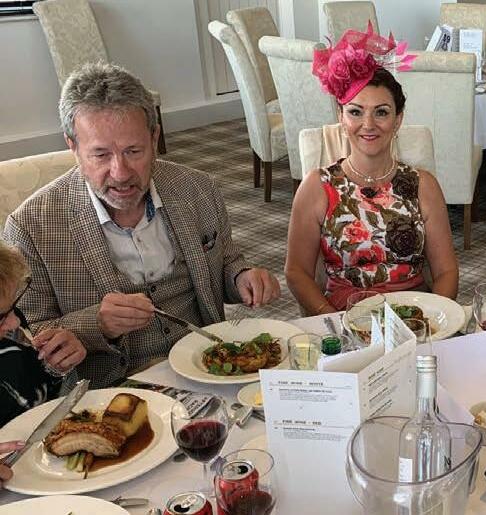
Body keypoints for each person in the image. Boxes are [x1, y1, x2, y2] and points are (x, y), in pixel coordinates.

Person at [3, 63, 280, 388]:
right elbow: (26, 336)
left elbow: (227, 261)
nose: (120, 173)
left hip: (210, 367)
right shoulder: (31, 226)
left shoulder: (198, 189)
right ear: (73, 147)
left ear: (154, 137)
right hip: (112, 390)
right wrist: (95, 325)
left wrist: (241, 276)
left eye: (133, 151)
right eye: (101, 155)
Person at [285, 25, 458, 314]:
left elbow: (446, 272)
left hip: (414, 314)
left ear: (398, 120)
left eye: (381, 112)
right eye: (355, 112)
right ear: (341, 117)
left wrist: (434, 319)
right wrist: (332, 320)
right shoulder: (317, 187)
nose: (368, 125)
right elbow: (296, 272)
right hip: (344, 315)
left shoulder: (423, 185)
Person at [0, 242, 87, 427]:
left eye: (13, 306)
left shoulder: (11, 332)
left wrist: (57, 363)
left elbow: (42, 391)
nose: (15, 322)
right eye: (1, 317)